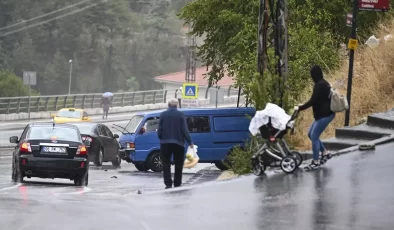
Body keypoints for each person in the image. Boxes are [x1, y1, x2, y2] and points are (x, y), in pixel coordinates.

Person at [295, 65, 335, 171]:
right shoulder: (324, 83)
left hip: (325, 114)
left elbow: (313, 101)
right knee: (310, 134)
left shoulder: (319, 85)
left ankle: (315, 161)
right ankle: (325, 153)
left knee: (314, 136)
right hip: (324, 114)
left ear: (314, 75)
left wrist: (300, 108)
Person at [157, 98, 193, 189]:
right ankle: (177, 183)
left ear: (168, 104)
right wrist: (190, 142)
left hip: (165, 143)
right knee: (178, 163)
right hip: (179, 143)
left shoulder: (162, 115)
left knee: (166, 163)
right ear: (177, 105)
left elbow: (159, 130)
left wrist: (161, 138)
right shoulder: (181, 115)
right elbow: (185, 130)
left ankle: (168, 183)